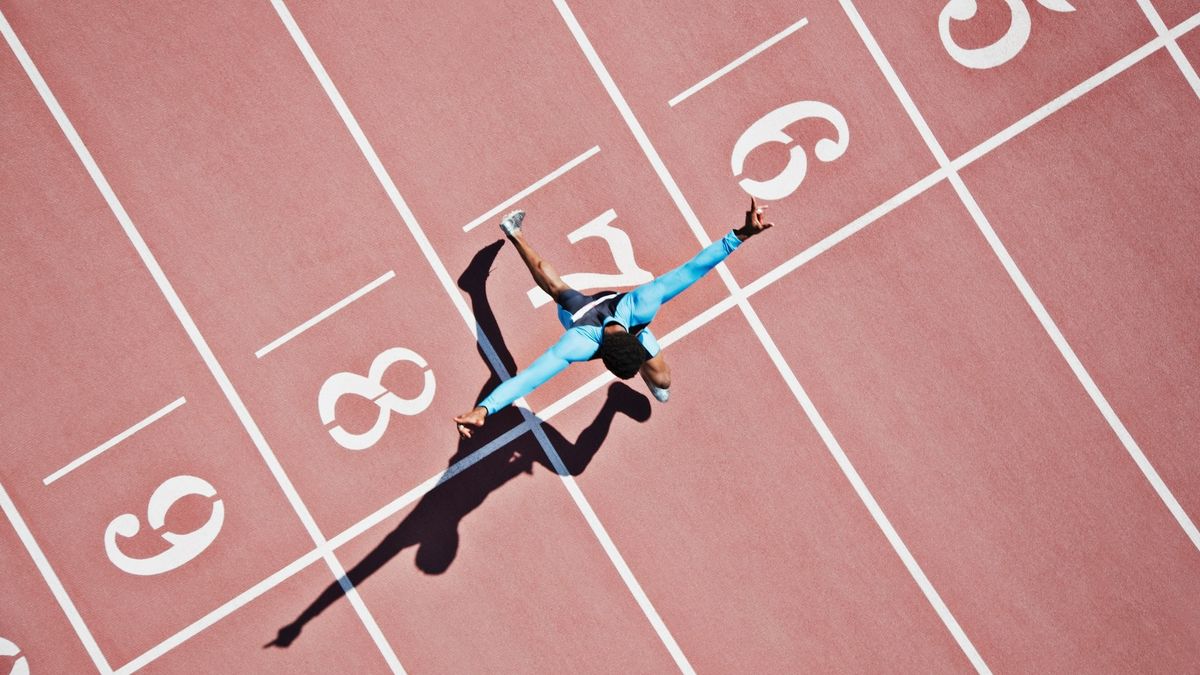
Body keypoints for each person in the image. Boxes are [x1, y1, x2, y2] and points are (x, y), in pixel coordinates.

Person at [454, 198, 775, 439]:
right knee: (558, 291)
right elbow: (530, 377)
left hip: (596, 318)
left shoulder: (633, 312)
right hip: (580, 318)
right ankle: (514, 232)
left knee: (661, 381)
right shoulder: (587, 337)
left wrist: (742, 234)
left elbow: (693, 270)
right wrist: (485, 408)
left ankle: (510, 239)